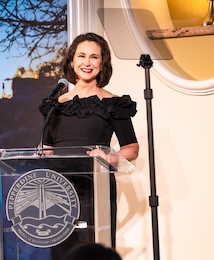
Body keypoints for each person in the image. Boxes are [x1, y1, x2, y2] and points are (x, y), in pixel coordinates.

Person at [39, 32, 138, 256]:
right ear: (71, 61)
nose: (87, 62)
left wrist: (107, 157)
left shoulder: (113, 103)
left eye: (94, 57)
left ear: (102, 64)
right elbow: (48, 148)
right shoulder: (55, 105)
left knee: (92, 252)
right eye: (81, 56)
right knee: (62, 253)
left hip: (95, 189)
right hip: (59, 190)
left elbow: (131, 148)